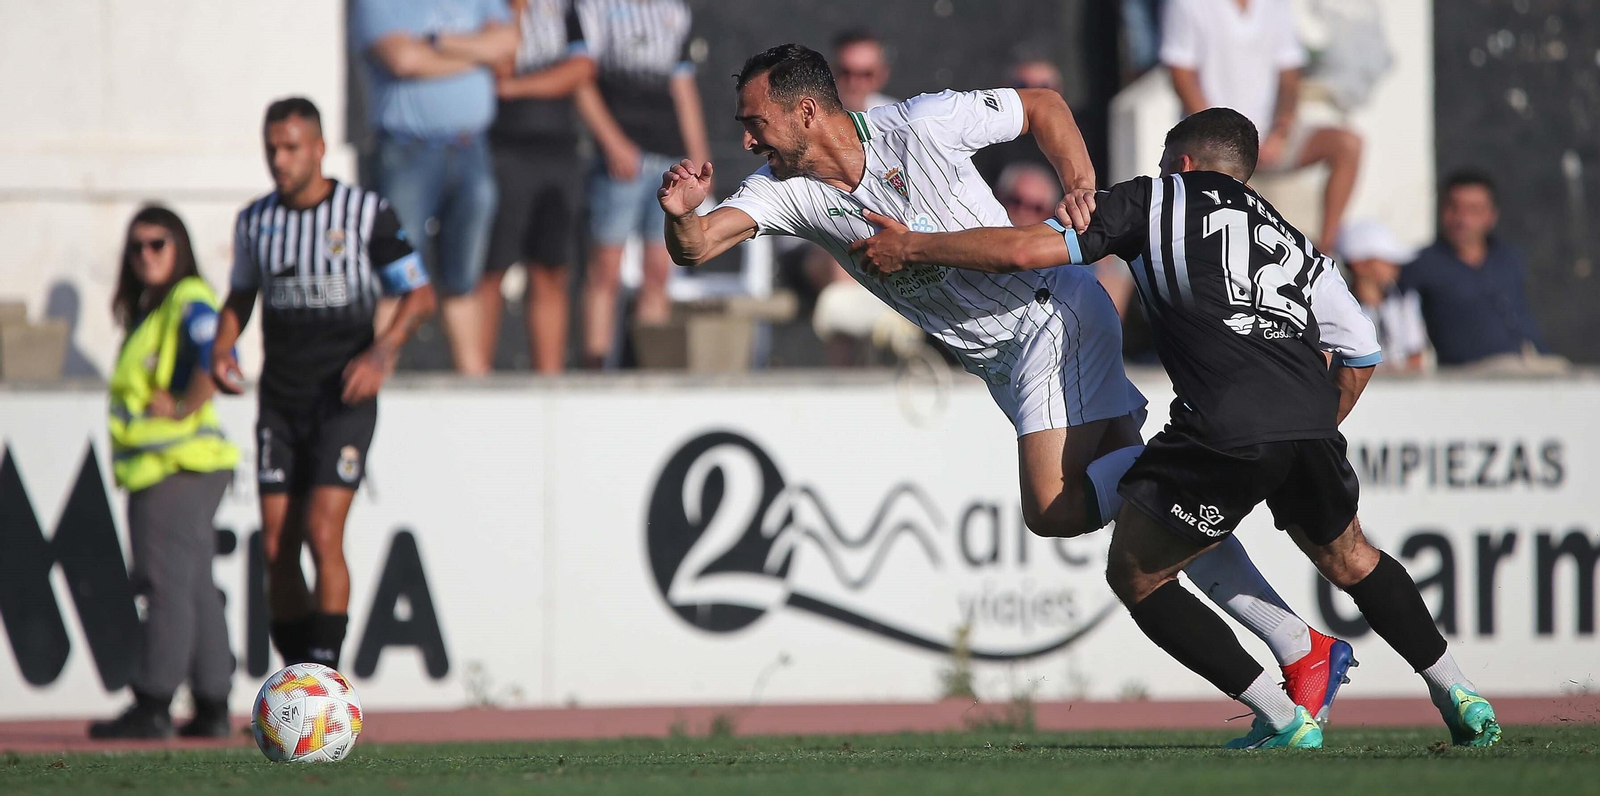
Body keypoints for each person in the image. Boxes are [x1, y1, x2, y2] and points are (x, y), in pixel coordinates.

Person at [661, 44, 1356, 723]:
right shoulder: (782, 194)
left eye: (755, 122)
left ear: (805, 111)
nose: (748, 139)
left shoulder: (921, 123)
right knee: (1152, 515)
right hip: (1006, 356)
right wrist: (681, 215)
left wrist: (1084, 190)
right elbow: (696, 247)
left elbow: (1044, 107)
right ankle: (1299, 652)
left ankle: (1215, 515)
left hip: (1048, 317)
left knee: (1052, 508)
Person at [853, 107, 1500, 749]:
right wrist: (1306, 430)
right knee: (1353, 559)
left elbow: (1027, 249)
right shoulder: (1290, 238)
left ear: (1182, 164)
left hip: (1225, 426)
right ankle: (1458, 689)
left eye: (1166, 165)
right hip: (1308, 419)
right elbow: (1360, 347)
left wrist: (910, 246)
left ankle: (1284, 715)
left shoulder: (1153, 198)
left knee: (1136, 573)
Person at [211, 98, 437, 673]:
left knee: (321, 530)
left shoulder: (365, 214)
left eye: (290, 148)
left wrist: (382, 352)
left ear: (318, 148)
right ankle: (297, 678)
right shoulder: (256, 221)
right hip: (281, 401)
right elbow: (241, 295)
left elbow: (419, 293)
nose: (279, 160)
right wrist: (222, 344)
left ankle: (326, 678)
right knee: (274, 545)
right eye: (271, 149)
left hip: (345, 399)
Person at [89, 206, 240, 740]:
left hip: (175, 466)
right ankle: (213, 700)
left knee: (166, 585)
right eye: (138, 247)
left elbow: (219, 355)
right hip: (185, 466)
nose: (147, 255)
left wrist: (181, 408)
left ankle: (153, 700)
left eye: (159, 244)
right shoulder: (157, 309)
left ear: (180, 246)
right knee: (194, 582)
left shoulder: (187, 299)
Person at [352, 0, 517, 375]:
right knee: (396, 277)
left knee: (464, 280)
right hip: (407, 151)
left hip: (471, 147)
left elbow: (508, 45)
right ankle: (376, 379)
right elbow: (402, 60)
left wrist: (440, 42)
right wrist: (478, 55)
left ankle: (473, 389)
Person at [1161, 0, 1362, 252]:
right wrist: (1218, 136)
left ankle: (1325, 253)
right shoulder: (1186, 4)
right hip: (1216, 142)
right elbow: (1180, 72)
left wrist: (1281, 131)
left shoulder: (1275, 5)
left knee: (1347, 144)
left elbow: (1289, 74)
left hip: (1268, 136)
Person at [574, 0, 710, 368]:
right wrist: (613, 143)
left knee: (658, 269)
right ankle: (595, 370)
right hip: (619, 159)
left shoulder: (675, 10)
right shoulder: (594, 7)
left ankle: (651, 371)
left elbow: (683, 87)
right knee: (605, 269)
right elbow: (580, 79)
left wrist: (698, 156)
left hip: (667, 157)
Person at [480, 0, 595, 373]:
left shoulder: (565, 9)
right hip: (502, 150)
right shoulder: (487, 9)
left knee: (551, 269)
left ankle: (548, 383)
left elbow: (580, 69)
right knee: (491, 269)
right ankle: (474, 379)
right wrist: (514, 13)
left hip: (558, 152)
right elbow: (498, 65)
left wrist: (516, 87)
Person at [1399, 170, 1566, 374]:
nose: (1462, 218)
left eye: (1473, 210)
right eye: (1454, 208)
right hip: (1474, 373)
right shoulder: (1422, 264)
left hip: (1533, 361)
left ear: (1491, 215)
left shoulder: (1507, 256)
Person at [1339, 218, 1427, 372]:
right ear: (1360, 264)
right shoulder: (1340, 307)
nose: (1395, 267)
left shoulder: (1404, 301)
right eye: (1386, 260)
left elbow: (1415, 355)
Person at [831, 29, 895, 113]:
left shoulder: (896, 118)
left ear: (883, 74)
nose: (854, 83)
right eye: (845, 73)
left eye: (866, 74)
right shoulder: (811, 114)